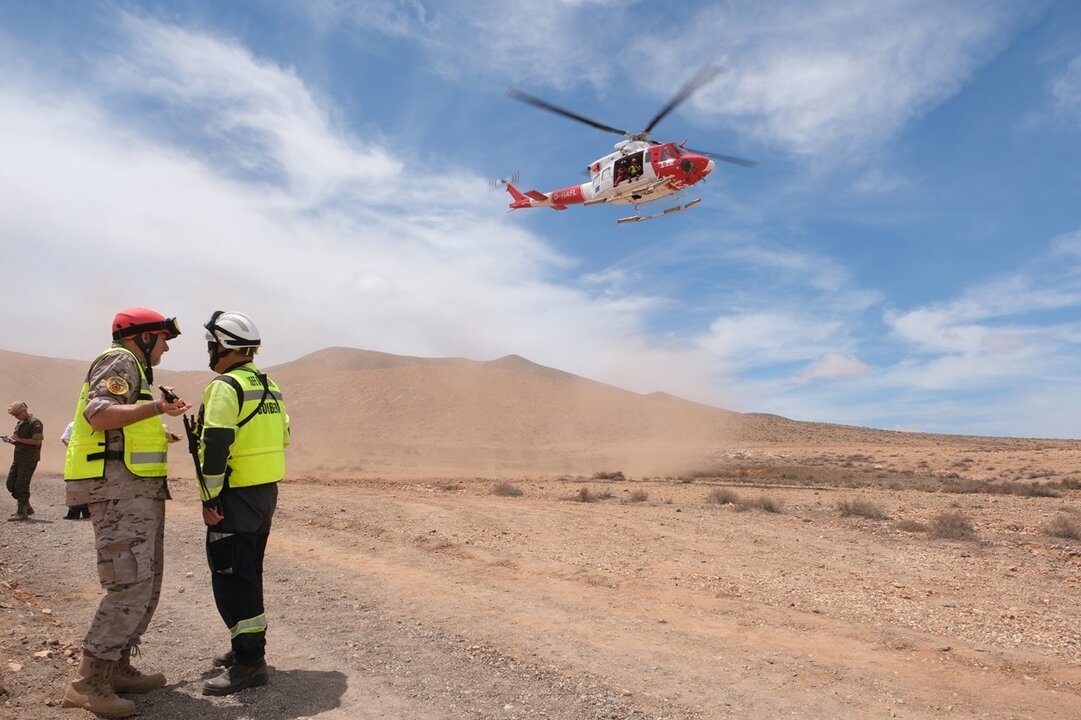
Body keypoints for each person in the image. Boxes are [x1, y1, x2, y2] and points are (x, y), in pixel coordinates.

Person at [61, 307, 191, 718]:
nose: (167, 347)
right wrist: (156, 409)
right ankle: (87, 684)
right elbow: (98, 414)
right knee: (129, 584)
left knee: (145, 583)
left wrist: (157, 427)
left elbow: (121, 423)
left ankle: (116, 669)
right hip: (117, 492)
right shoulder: (119, 360)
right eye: (163, 338)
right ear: (143, 337)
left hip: (136, 489)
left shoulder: (136, 368)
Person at [197, 310, 289, 696]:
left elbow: (217, 443)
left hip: (233, 497)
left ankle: (250, 662)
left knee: (232, 577)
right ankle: (246, 649)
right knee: (248, 571)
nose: (209, 351)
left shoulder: (225, 386)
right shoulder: (271, 387)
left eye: (211, 344)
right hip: (264, 494)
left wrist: (210, 496)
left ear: (224, 346)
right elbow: (283, 439)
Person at [5, 401, 43, 521]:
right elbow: (19, 440)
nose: (16, 417)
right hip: (18, 458)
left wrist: (19, 439)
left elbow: (37, 441)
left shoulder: (35, 423)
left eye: (17, 414)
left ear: (23, 411)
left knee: (22, 484)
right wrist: (12, 440)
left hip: (29, 459)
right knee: (10, 484)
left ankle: (22, 512)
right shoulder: (20, 423)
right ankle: (27, 506)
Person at [60, 422, 90, 520]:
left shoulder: (75, 424)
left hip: (86, 459)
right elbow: (64, 438)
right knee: (80, 484)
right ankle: (78, 512)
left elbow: (64, 438)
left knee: (80, 484)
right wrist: (73, 449)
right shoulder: (74, 425)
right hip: (80, 459)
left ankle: (79, 513)